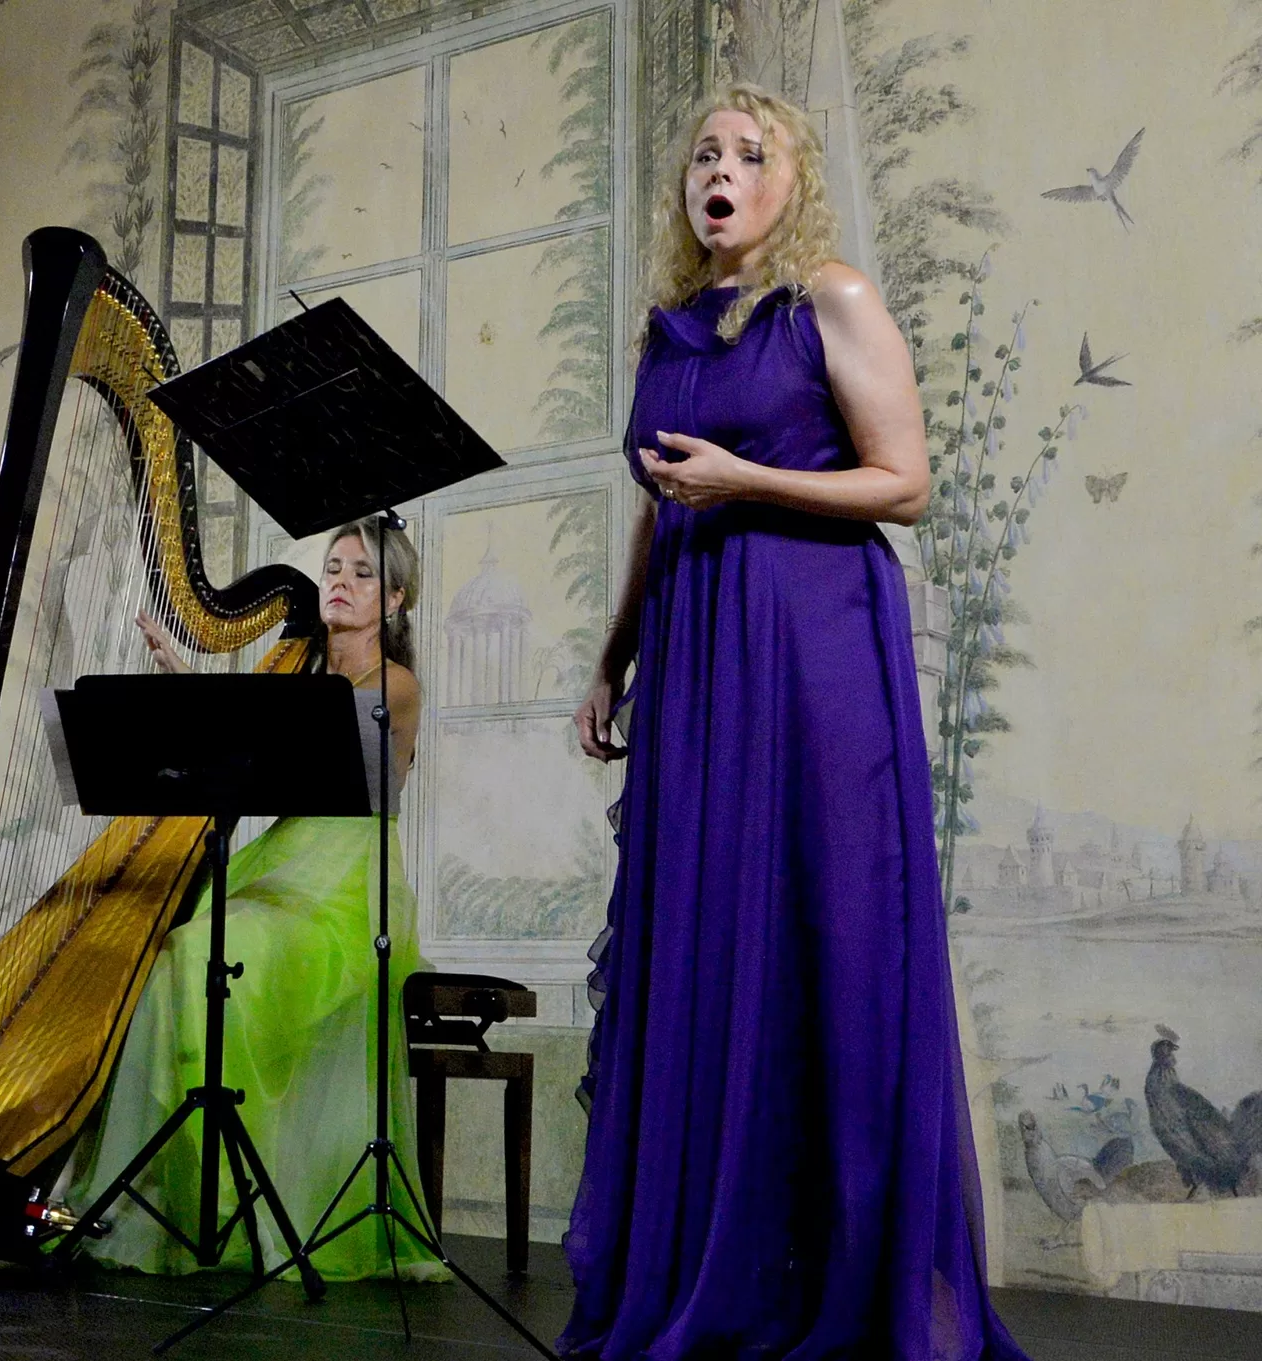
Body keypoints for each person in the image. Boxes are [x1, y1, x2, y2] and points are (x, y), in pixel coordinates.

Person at [559, 86, 1030, 1358]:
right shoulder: (666, 335)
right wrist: (611, 658)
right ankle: (721, 1269)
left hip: (812, 644)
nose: (716, 171)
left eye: (746, 153)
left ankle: (856, 1279)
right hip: (698, 653)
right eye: (701, 155)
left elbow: (905, 483)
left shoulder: (832, 298)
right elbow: (659, 506)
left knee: (830, 931)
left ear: (788, 180)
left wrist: (746, 479)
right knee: (710, 934)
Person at [60, 516, 443, 1280]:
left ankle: (241, 1200)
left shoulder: (394, 685)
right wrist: (186, 683)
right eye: (333, 568)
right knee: (169, 950)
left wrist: (217, 699)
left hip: (345, 889)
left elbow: (290, 746)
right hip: (283, 869)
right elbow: (258, 744)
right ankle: (170, 1202)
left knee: (210, 953)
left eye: (362, 573)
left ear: (396, 599)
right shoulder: (301, 678)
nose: (339, 582)